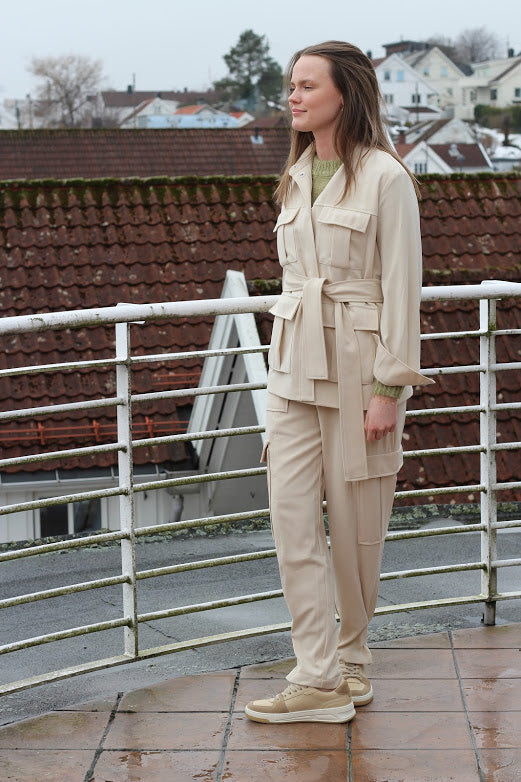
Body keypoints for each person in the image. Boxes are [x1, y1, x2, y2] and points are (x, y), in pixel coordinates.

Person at [245, 41, 434, 725]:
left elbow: (401, 289)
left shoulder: (386, 178)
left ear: (344, 94)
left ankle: (350, 663)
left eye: (306, 86)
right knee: (292, 520)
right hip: (292, 370)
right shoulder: (295, 176)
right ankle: (317, 676)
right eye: (290, 86)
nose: (292, 97)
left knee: (356, 532)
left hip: (359, 372)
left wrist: (389, 390)